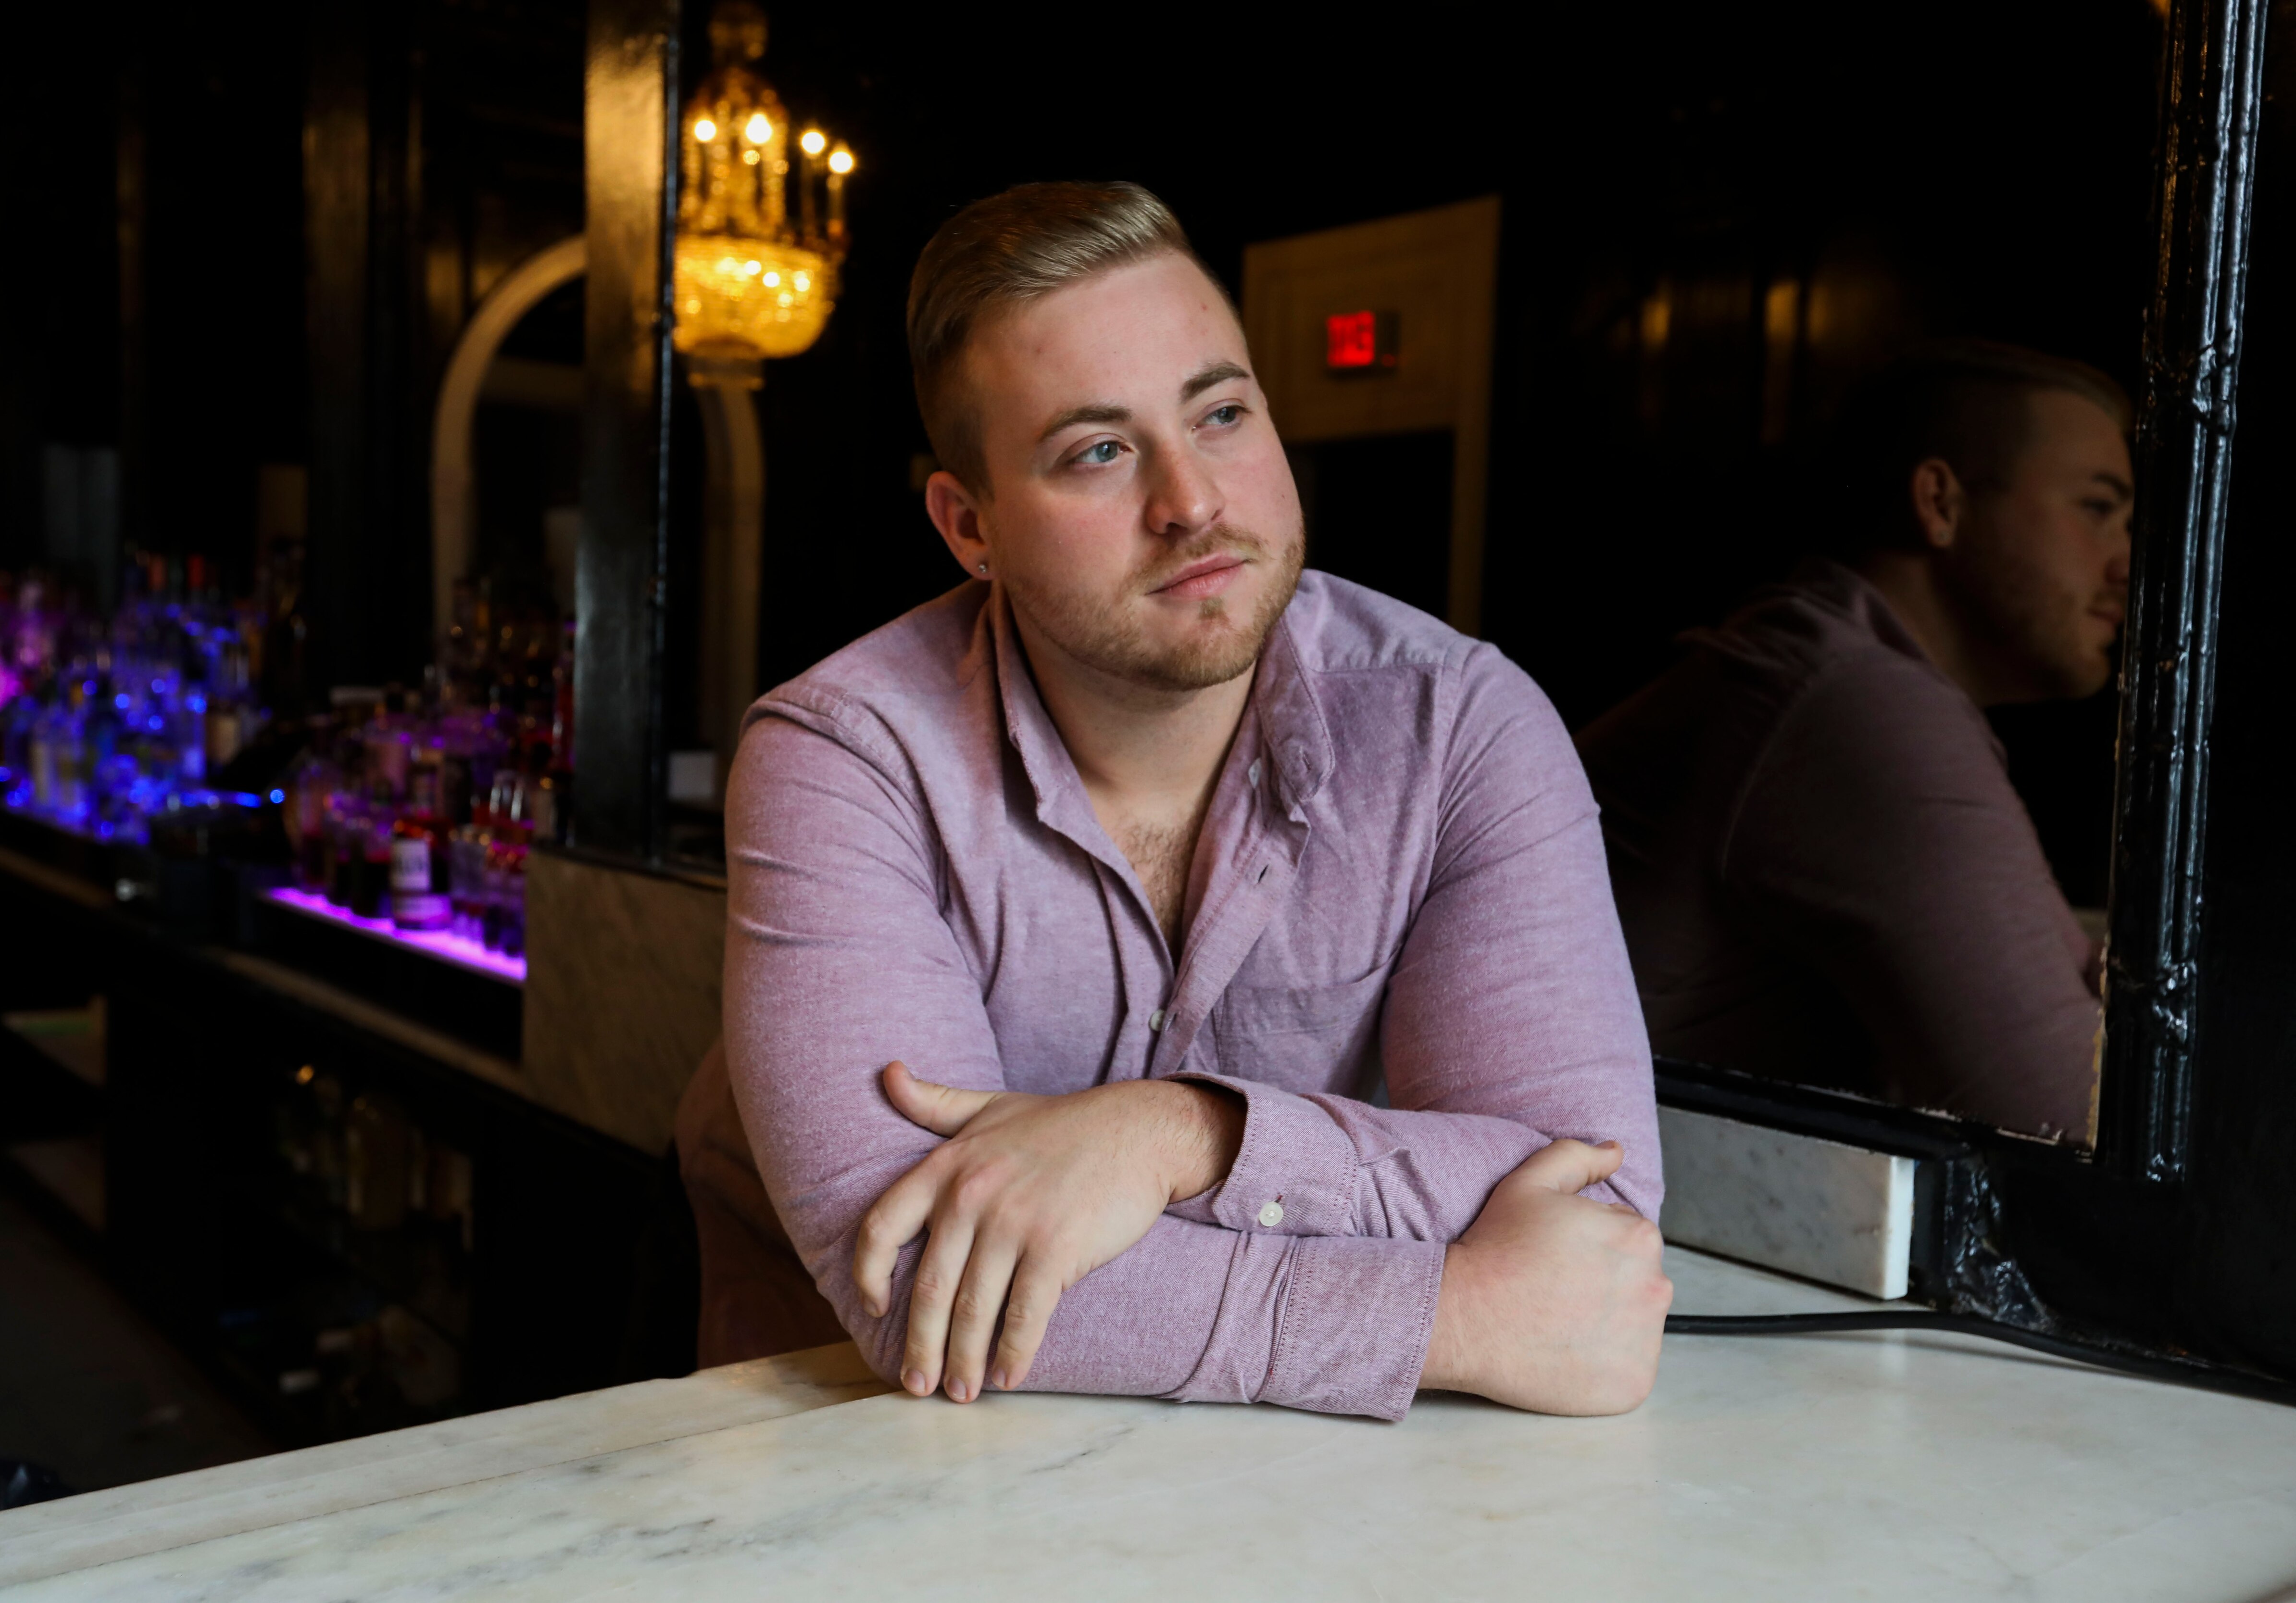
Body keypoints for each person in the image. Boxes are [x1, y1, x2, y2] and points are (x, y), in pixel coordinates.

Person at [677, 181, 1669, 1423]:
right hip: (863, 1464)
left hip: (1279, 1501)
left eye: (1221, 412)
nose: (1191, 500)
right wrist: (1458, 1313)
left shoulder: (1459, 727)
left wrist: (1171, 1137)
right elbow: (926, 1279)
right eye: (1098, 449)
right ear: (968, 525)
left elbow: (1590, 1208)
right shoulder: (843, 757)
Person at [1576, 342, 2132, 1145]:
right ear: (1940, 502)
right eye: (2096, 508)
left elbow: (2076, 970)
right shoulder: (1851, 701)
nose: (2125, 563)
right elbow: (2072, 1123)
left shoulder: (1846, 668)